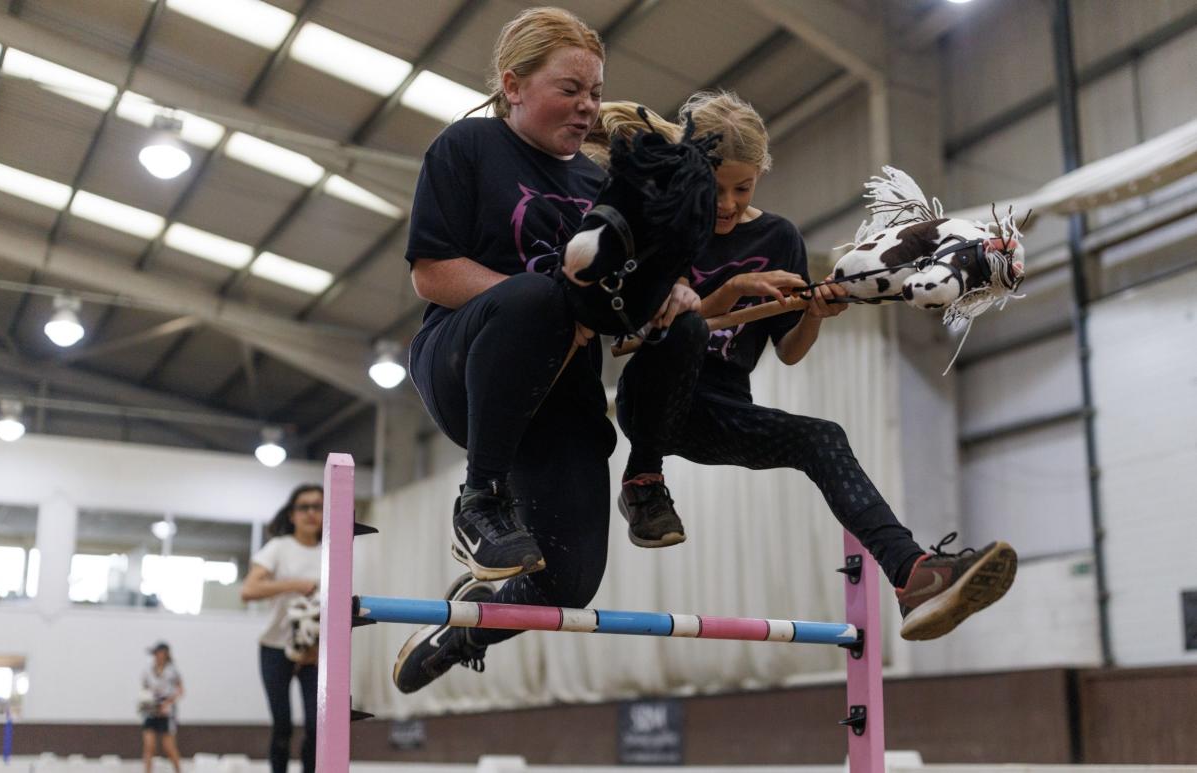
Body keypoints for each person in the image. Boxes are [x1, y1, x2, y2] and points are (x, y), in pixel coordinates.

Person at [614, 90, 1017, 640]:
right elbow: (651, 331)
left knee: (823, 437)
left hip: (718, 413)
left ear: (759, 176)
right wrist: (732, 289)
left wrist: (817, 313)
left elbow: (788, 350)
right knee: (683, 328)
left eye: (743, 187)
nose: (728, 204)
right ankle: (643, 479)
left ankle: (912, 574)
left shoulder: (778, 237)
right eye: (714, 188)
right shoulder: (664, 224)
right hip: (648, 399)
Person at [392, 6, 706, 694]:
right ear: (514, 85)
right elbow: (432, 272)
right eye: (571, 89)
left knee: (567, 588)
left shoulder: (599, 185)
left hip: (561, 397)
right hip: (467, 363)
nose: (588, 106)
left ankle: (463, 627)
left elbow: (615, 309)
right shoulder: (467, 147)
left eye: (594, 91)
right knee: (538, 296)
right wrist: (558, 310)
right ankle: (479, 499)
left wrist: (664, 299)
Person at [241, 484, 322, 773]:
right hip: (275, 648)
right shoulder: (278, 548)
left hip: (315, 652)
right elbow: (248, 590)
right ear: (292, 514)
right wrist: (294, 585)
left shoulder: (332, 553)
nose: (311, 513)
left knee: (317, 727)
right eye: (304, 507)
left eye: (318, 506)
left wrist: (317, 649)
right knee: (283, 724)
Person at [140, 642, 183, 773]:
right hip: (151, 709)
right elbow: (145, 689)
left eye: (159, 652)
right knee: (149, 746)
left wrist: (168, 703)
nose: (157, 656)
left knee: (169, 747)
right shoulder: (148, 670)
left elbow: (180, 690)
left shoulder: (172, 671)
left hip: (166, 711)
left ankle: (178, 770)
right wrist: (145, 702)